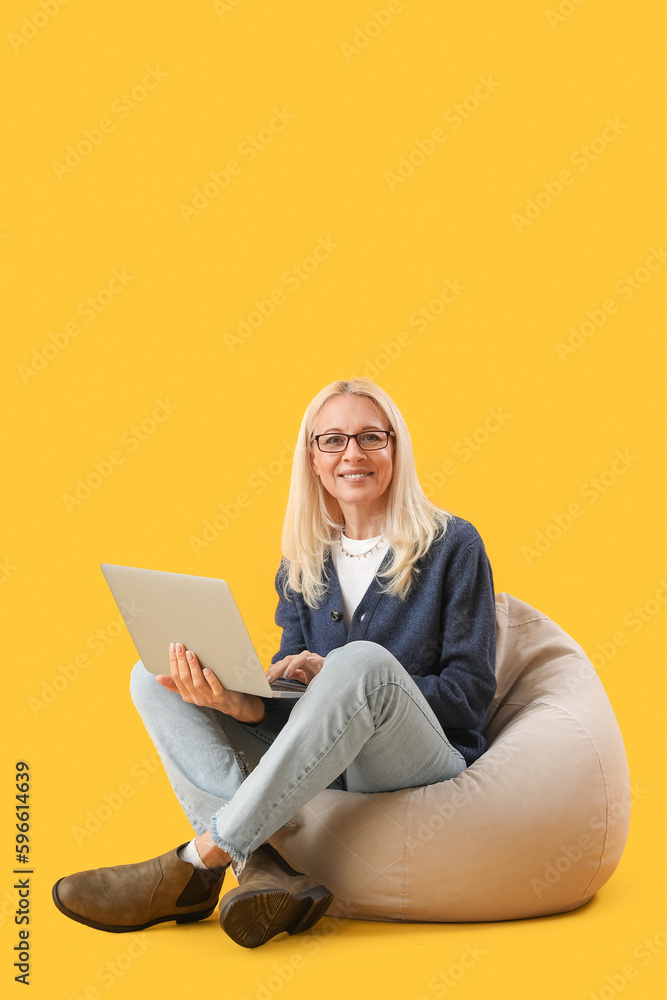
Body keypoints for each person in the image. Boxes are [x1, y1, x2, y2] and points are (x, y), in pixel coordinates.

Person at [52, 377, 497, 948]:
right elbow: (302, 722)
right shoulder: (302, 565)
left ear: (396, 448)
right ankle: (265, 871)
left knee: (358, 661)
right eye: (332, 440)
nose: (352, 454)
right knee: (152, 675)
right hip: (332, 763)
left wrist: (346, 679)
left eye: (370, 437)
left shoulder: (454, 545)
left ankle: (200, 861)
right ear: (312, 458)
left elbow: (469, 693)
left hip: (416, 757)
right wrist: (240, 702)